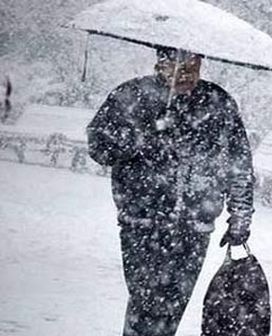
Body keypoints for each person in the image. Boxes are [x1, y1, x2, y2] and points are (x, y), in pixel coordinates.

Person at [87, 47, 255, 336]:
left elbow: (239, 164)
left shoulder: (218, 102)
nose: (187, 74)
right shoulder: (131, 95)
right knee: (146, 304)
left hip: (195, 224)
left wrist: (241, 215)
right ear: (161, 62)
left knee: (173, 306)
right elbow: (99, 147)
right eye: (179, 66)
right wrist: (145, 133)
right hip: (143, 222)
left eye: (194, 66)